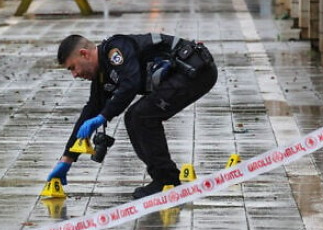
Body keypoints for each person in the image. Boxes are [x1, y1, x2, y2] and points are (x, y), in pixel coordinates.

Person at [48, 33, 218, 199]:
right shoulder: (103, 73)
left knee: (140, 116)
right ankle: (165, 178)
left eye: (73, 67)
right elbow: (91, 110)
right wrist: (67, 159)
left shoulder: (116, 50)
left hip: (195, 70)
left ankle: (166, 180)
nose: (75, 75)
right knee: (136, 117)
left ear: (84, 54)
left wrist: (104, 116)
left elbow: (130, 84)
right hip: (187, 74)